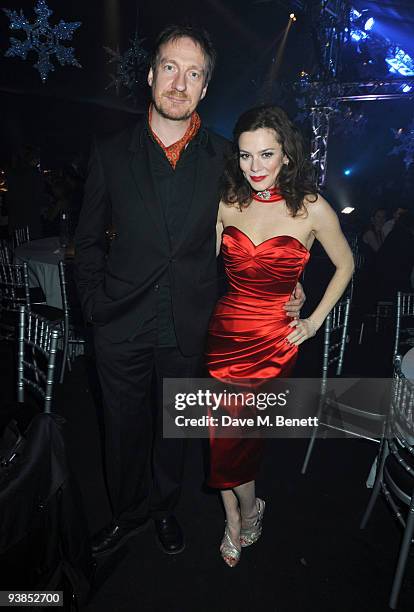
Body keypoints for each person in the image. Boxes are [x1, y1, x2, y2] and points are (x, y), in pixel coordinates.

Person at [74, 26, 304, 557]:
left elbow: (269, 221)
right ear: (151, 75)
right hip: (120, 321)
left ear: (204, 89)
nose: (180, 82)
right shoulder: (110, 152)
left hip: (192, 324)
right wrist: (93, 307)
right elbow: (85, 242)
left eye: (193, 73)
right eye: (171, 68)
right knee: (123, 429)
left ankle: (162, 509)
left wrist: (289, 283)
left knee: (172, 431)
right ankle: (128, 512)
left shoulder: (229, 159)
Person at [205, 105, 354, 567]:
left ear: (286, 156)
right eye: (246, 156)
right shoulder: (228, 201)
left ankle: (242, 514)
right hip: (225, 330)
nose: (255, 167)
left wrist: (311, 322)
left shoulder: (311, 207)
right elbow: (207, 269)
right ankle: (239, 510)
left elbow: (347, 264)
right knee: (219, 431)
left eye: (266, 154)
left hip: (274, 339)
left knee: (238, 435)